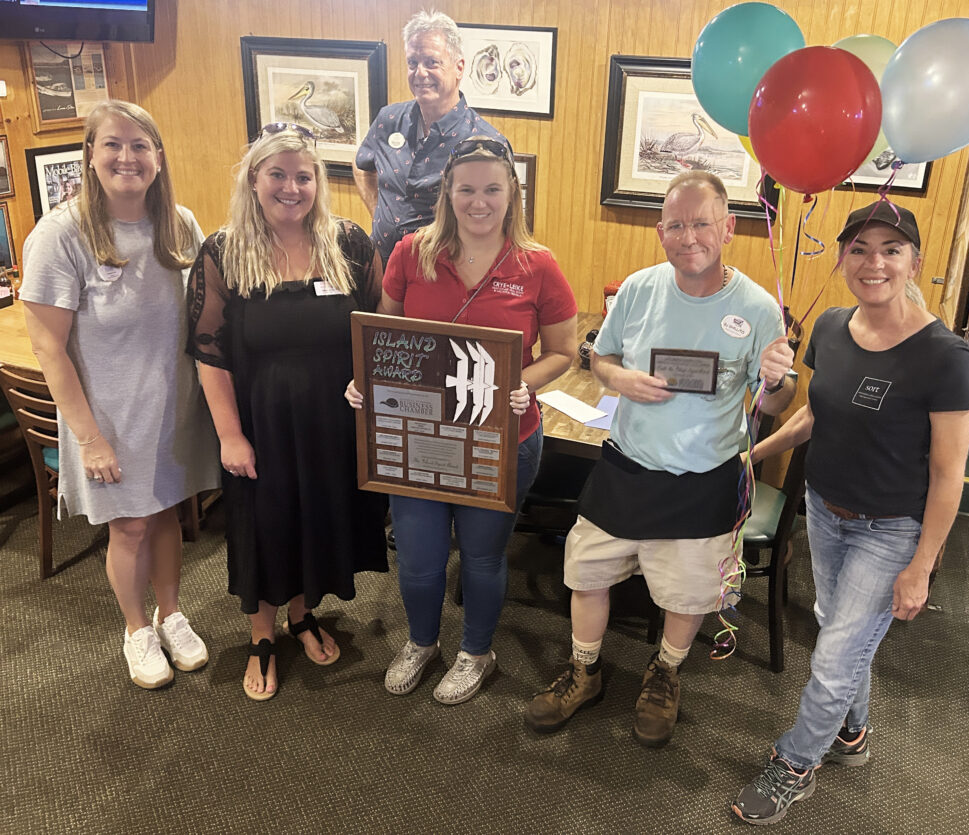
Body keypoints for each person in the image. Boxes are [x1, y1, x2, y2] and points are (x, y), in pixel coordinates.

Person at [526, 170, 796, 746]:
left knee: (688, 592)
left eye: (701, 223)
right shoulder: (639, 289)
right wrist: (619, 375)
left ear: (727, 228)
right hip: (626, 464)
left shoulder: (757, 308)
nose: (688, 235)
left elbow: (775, 399)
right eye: (676, 224)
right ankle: (584, 670)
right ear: (660, 231)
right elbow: (599, 358)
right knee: (586, 574)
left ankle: (665, 674)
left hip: (705, 476)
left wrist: (776, 381)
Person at [731, 201, 969, 825]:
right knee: (837, 627)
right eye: (860, 249)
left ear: (914, 262)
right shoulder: (834, 327)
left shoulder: (945, 356)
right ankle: (852, 733)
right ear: (843, 258)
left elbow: (950, 473)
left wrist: (922, 565)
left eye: (891, 250)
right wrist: (753, 455)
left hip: (892, 528)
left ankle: (796, 762)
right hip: (825, 510)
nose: (874, 263)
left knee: (836, 653)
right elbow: (817, 414)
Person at [346, 136, 577, 704]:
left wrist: (524, 382)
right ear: (447, 192)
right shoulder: (410, 252)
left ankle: (477, 652)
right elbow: (387, 336)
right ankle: (422, 643)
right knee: (421, 559)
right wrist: (366, 379)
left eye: (492, 189)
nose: (479, 201)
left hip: (502, 437)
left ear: (511, 194)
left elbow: (564, 352)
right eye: (467, 188)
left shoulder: (537, 265)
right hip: (421, 436)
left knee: (481, 555)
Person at [20, 100, 220, 690]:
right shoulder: (61, 235)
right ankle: (136, 629)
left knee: (165, 515)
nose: (127, 157)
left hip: (171, 409)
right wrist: (90, 439)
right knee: (129, 527)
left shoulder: (180, 224)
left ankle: (172, 613)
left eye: (140, 145)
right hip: (107, 416)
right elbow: (49, 350)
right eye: (112, 144)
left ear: (158, 157)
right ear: (89, 154)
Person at [187, 124, 387, 701]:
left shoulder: (348, 242)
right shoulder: (224, 251)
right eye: (278, 174)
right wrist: (230, 435)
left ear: (319, 182)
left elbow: (381, 325)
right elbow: (208, 351)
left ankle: (302, 616)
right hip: (262, 420)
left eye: (304, 176)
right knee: (267, 522)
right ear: (255, 180)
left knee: (317, 518)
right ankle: (261, 636)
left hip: (334, 416)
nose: (291, 187)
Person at [353, 9, 510, 266]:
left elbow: (501, 225)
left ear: (459, 67)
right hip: (381, 267)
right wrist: (375, 210)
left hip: (443, 277)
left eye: (431, 62)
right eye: (413, 63)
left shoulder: (484, 143)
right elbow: (361, 165)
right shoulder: (388, 119)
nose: (420, 73)